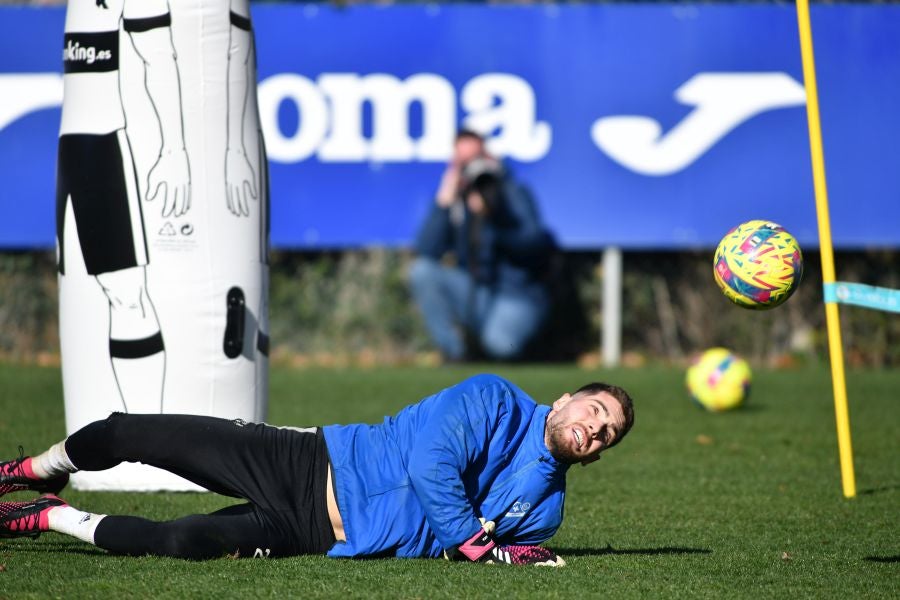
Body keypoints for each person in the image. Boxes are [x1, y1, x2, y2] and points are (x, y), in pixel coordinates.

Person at [0, 374, 634, 565]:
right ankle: (34, 469)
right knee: (128, 432)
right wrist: (473, 539)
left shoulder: (544, 514)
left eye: (608, 432)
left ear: (598, 453)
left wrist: (503, 555)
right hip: (304, 462)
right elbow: (429, 464)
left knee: (182, 540)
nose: (596, 426)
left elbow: (476, 556)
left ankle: (49, 516)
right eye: (596, 408)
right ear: (564, 401)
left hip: (314, 533)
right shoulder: (491, 398)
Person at [410, 130, 557, 362]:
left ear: (488, 155)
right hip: (477, 292)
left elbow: (533, 243)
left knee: (500, 345)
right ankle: (455, 354)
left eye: (477, 157)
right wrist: (443, 202)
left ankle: (505, 343)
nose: (473, 166)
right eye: (464, 161)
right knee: (422, 271)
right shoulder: (458, 200)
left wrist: (493, 215)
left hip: (516, 293)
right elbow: (426, 249)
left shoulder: (513, 192)